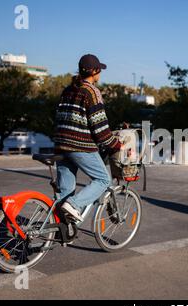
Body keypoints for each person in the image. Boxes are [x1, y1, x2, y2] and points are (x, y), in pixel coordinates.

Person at [53, 54, 122, 222]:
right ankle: (74, 205)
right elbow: (100, 129)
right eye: (100, 71)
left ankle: (62, 230)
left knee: (65, 193)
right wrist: (115, 144)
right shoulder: (91, 91)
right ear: (95, 71)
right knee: (103, 179)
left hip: (61, 145)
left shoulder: (68, 90)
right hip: (79, 146)